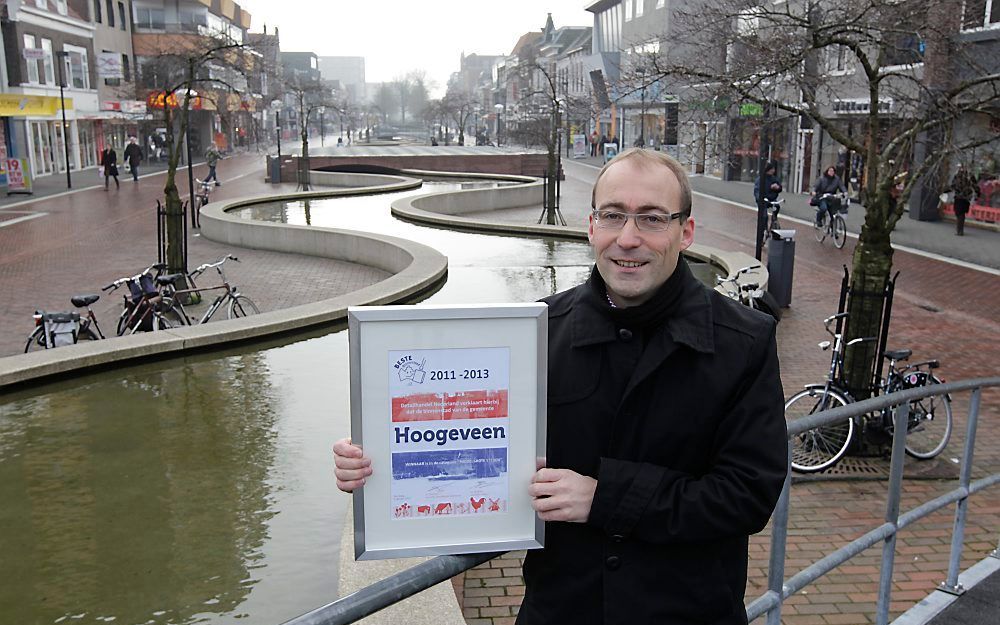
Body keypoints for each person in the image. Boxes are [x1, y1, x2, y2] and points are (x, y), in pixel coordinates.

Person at [334, 148, 788, 624]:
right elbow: (472, 450)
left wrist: (604, 498)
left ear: (685, 232)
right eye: (613, 216)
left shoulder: (744, 342)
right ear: (591, 226)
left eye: (652, 219)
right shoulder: (535, 333)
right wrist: (380, 468)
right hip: (563, 611)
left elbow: (747, 496)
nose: (628, 239)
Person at [949, 163, 977, 236]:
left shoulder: (968, 175)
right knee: (960, 213)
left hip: (963, 197)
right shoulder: (959, 175)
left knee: (960, 213)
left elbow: (974, 185)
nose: (960, 168)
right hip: (962, 197)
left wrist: (976, 194)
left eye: (960, 167)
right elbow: (953, 185)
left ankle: (959, 230)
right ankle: (960, 230)